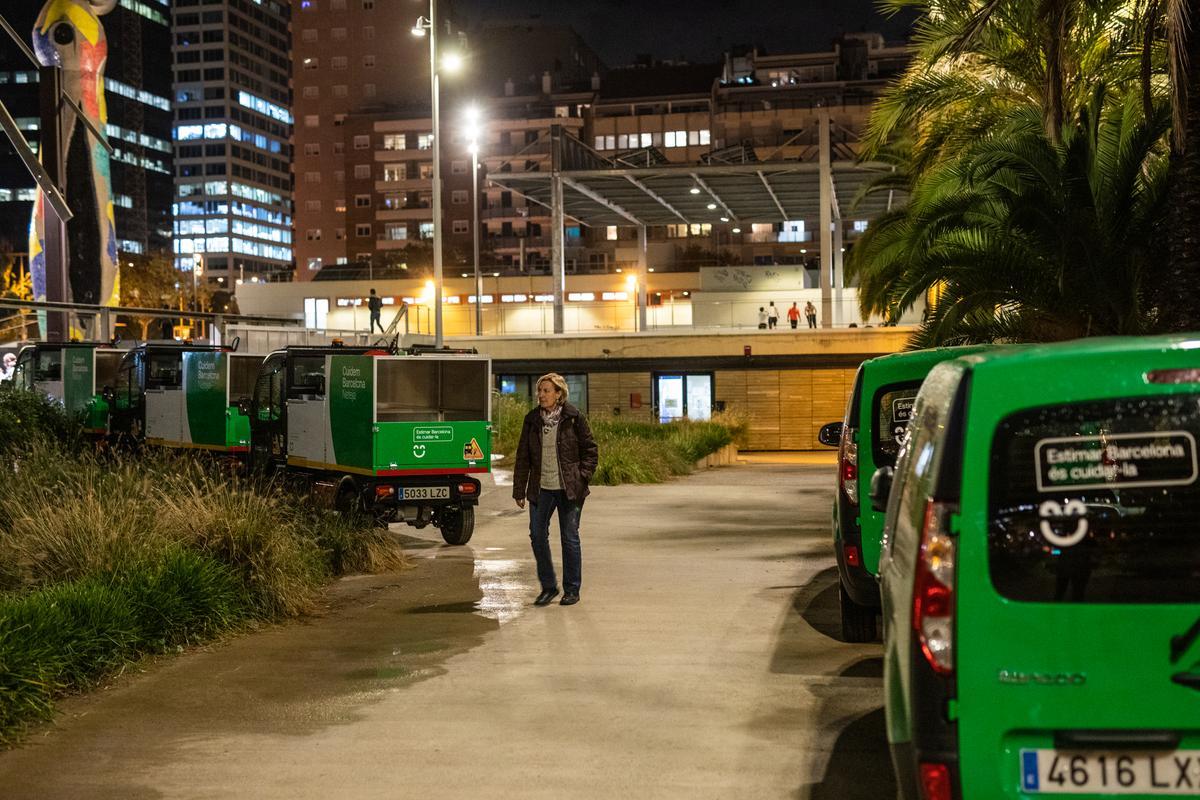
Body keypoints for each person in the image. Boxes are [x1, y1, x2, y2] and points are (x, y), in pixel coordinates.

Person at [513, 373, 599, 607]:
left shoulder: (573, 418)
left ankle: (571, 590)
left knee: (569, 538)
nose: (540, 395)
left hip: (569, 489)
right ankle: (549, 587)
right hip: (541, 489)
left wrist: (582, 477)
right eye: (539, 391)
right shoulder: (531, 420)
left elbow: (590, 451)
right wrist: (519, 489)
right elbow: (523, 457)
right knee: (537, 536)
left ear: (559, 394)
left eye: (546, 391)